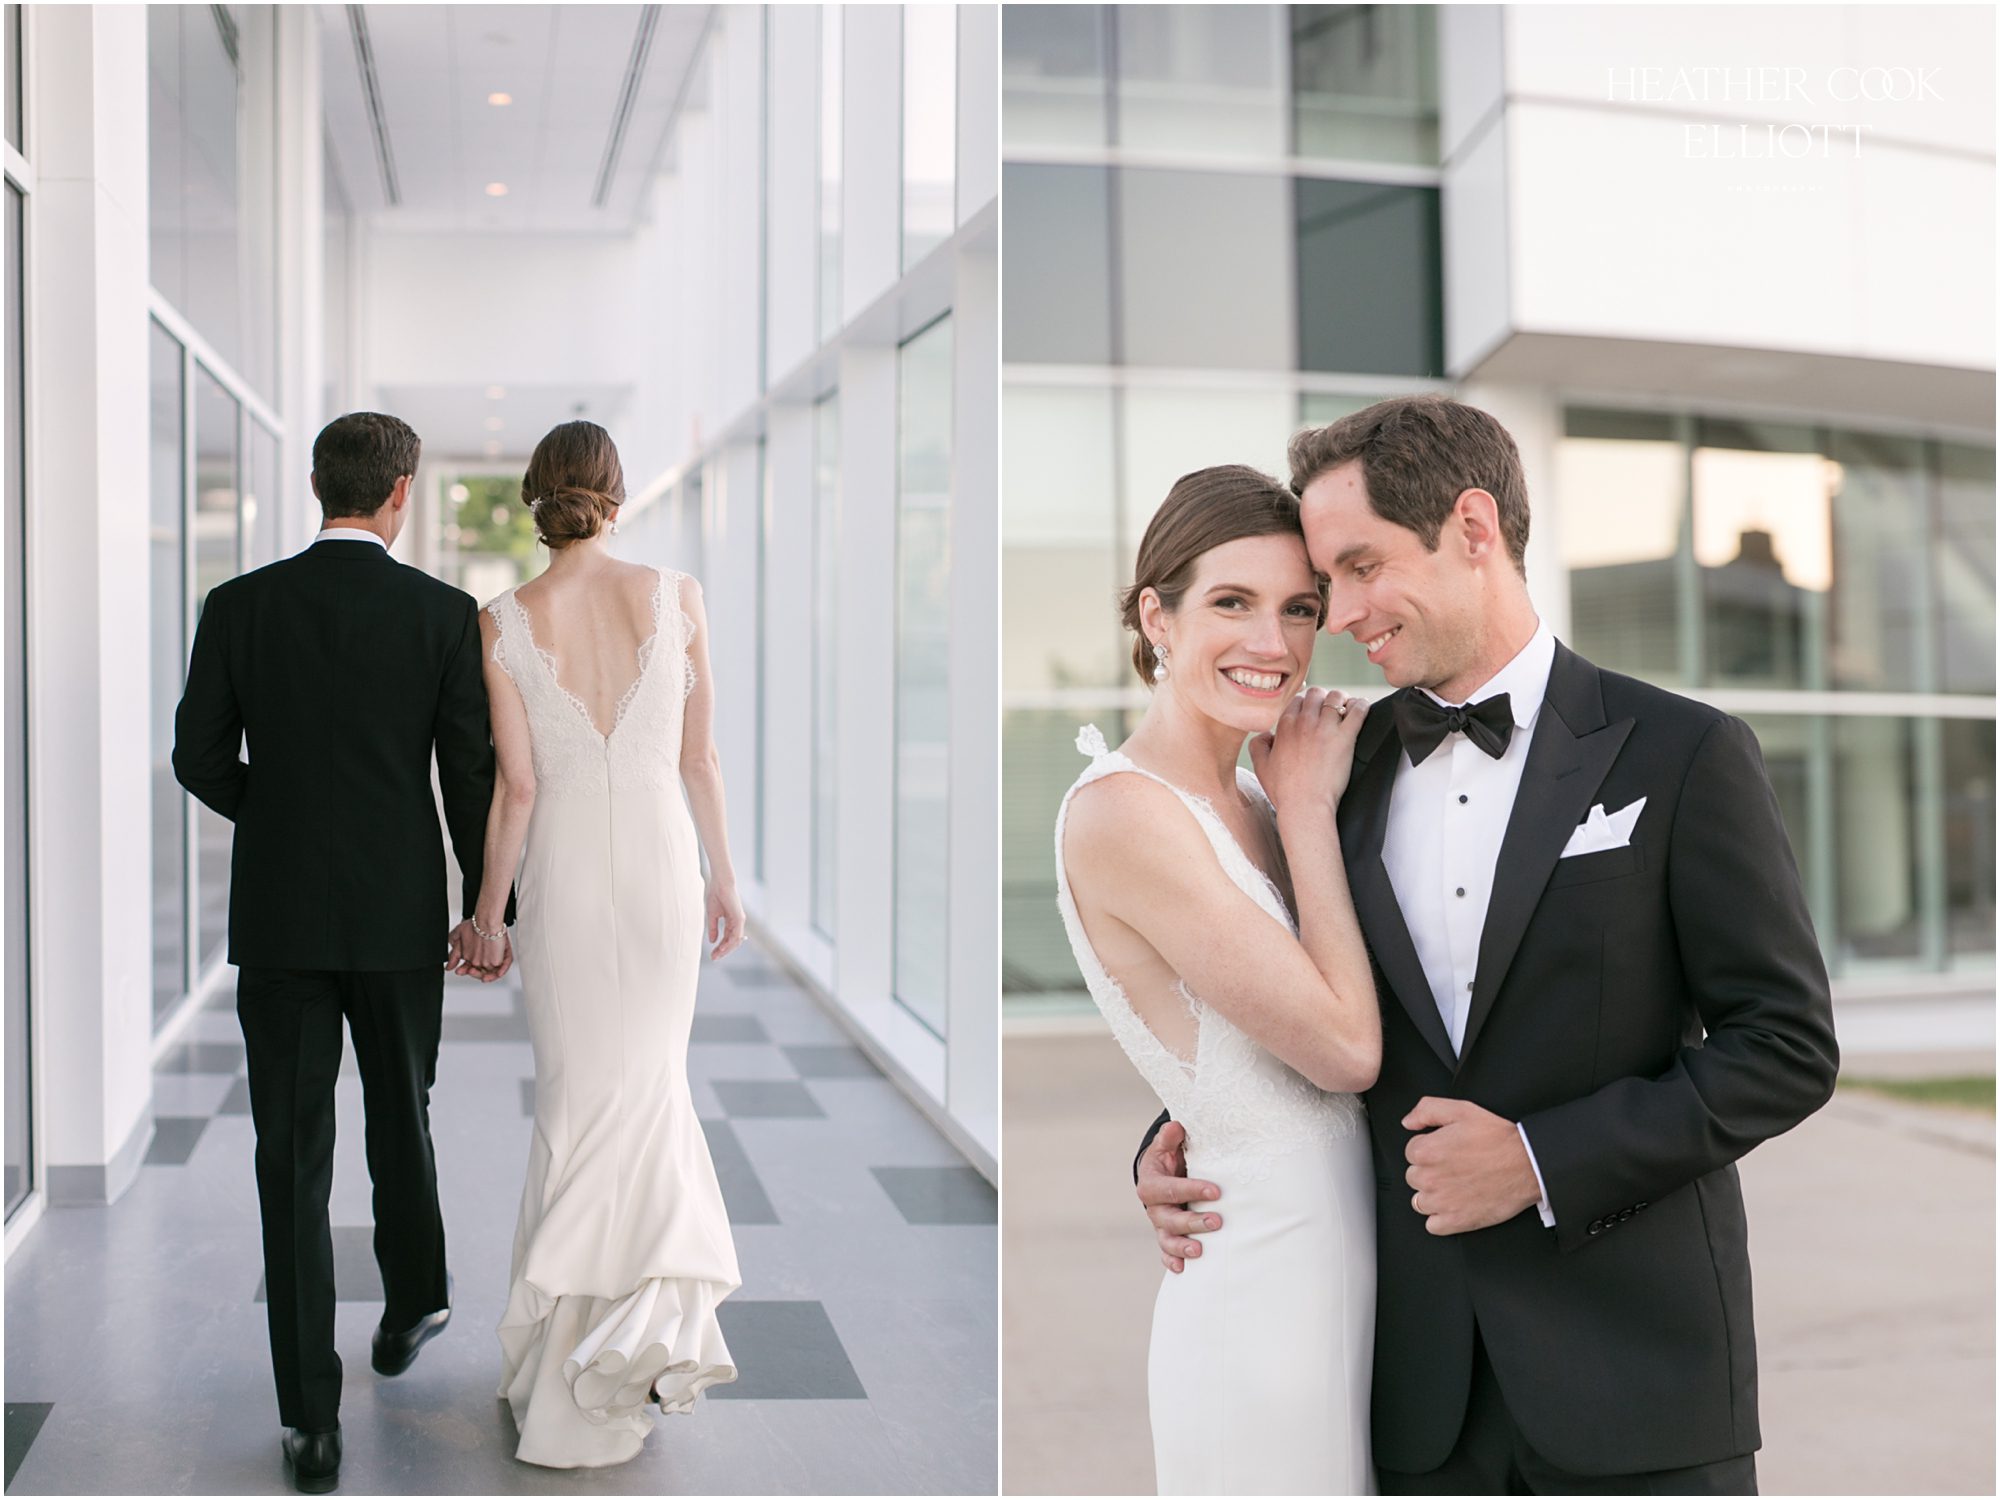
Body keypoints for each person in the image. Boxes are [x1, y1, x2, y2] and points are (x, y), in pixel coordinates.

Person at [1136, 395, 1840, 1494]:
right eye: (1329, 590)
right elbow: (1291, 998)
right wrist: (1178, 1131)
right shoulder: (1325, 776)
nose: (1344, 617)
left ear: (1472, 527)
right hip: (1413, 1398)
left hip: (1639, 1382)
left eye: (1362, 568)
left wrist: (1536, 1161)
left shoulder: (1683, 752)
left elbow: (1784, 1046)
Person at [173, 411, 510, 1496]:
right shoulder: (443, 615)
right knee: (400, 1109)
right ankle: (415, 1298)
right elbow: (472, 776)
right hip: (397, 915)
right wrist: (484, 907)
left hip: (279, 921)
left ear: (319, 484)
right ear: (401, 492)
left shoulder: (239, 606)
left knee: (290, 1159)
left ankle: (308, 1426)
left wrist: (270, 817)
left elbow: (194, 756)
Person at [1056, 465, 1382, 1494]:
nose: (1271, 643)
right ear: (1156, 614)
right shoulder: (1126, 812)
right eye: (1230, 603)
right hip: (1263, 1293)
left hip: (1352, 1264)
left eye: (1297, 609)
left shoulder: (1251, 791)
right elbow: (1344, 1049)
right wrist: (1309, 815)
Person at [465, 419, 743, 1468]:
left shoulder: (500, 620)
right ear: (615, 497)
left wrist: (490, 915)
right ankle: (626, 1347)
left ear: (539, 500)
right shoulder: (674, 595)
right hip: (663, 875)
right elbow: (699, 755)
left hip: (568, 882)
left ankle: (562, 1361)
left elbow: (518, 789)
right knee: (649, 1089)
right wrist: (725, 876)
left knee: (579, 1098)